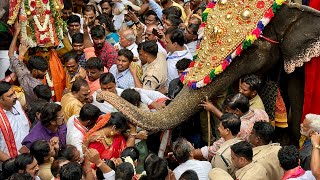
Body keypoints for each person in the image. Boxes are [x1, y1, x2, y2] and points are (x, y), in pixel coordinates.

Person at [196, 93, 269, 160]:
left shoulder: (240, 128)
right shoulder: (260, 112)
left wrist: (193, 153)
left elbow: (214, 149)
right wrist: (213, 109)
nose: (226, 111)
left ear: (237, 111)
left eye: (228, 110)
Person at [0, 82, 30, 160]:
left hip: (29, 158)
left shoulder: (17, 104)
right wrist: (13, 163)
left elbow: (27, 125)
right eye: (10, 95)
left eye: (14, 93)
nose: (15, 96)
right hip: (12, 163)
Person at [211, 113, 242, 178]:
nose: (218, 128)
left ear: (227, 131)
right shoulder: (243, 143)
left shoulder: (221, 156)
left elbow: (219, 177)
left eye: (220, 127)